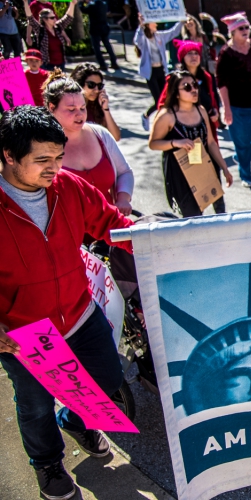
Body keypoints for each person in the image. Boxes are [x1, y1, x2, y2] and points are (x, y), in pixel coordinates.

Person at [0, 105, 133, 500]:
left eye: (58, 158)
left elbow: (111, 224)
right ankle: (48, 466)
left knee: (108, 382)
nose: (53, 169)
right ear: (8, 155)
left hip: (80, 312)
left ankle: (76, 419)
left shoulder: (69, 186)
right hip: (24, 334)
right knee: (35, 406)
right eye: (42, 160)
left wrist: (147, 235)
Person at [43, 70, 133, 215]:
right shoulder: (39, 146)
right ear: (51, 107)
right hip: (69, 232)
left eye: (82, 108)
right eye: (71, 109)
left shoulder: (100, 134)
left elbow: (124, 172)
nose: (79, 114)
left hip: (109, 228)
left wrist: (123, 198)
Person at [149, 70, 233, 217]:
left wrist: (224, 168)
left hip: (202, 165)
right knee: (192, 215)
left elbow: (211, 142)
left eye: (195, 85)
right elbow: (153, 144)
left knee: (218, 207)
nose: (194, 90)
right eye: (187, 87)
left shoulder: (201, 110)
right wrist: (176, 142)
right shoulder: (167, 115)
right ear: (176, 93)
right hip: (180, 172)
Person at [216, 12, 251, 188]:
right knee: (242, 142)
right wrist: (226, 108)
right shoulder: (226, 53)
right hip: (239, 107)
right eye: (241, 28)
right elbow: (221, 83)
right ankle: (245, 174)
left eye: (247, 27)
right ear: (232, 32)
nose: (246, 30)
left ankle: (241, 157)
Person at [157, 39, 219, 142]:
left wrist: (215, 112)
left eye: (196, 53)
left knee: (209, 157)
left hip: (205, 130)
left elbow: (212, 99)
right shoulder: (175, 79)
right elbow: (163, 105)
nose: (194, 56)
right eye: (189, 53)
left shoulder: (206, 77)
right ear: (182, 57)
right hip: (182, 133)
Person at [134, 13, 184, 131]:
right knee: (158, 100)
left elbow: (173, 32)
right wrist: (141, 26)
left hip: (161, 70)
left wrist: (181, 21)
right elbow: (137, 40)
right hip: (150, 72)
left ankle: (166, 122)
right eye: (153, 22)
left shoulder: (159, 36)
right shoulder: (143, 39)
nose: (156, 24)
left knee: (166, 98)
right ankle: (146, 116)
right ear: (148, 24)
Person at [70, 62, 121, 141]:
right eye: (91, 85)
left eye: (100, 86)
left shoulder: (97, 106)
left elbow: (115, 137)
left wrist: (105, 109)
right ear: (79, 84)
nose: (97, 90)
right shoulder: (69, 106)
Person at [23, 0, 77, 71]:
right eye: (52, 18)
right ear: (45, 19)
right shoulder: (40, 30)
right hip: (47, 65)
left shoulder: (58, 27)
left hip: (61, 64)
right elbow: (30, 18)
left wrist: (72, 4)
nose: (55, 19)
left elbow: (68, 17)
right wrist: (25, 3)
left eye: (54, 17)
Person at [80, 0, 119, 71]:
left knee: (96, 48)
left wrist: (81, 3)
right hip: (104, 27)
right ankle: (114, 62)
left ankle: (102, 64)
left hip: (95, 29)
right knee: (108, 45)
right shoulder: (103, 4)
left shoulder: (92, 5)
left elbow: (83, 10)